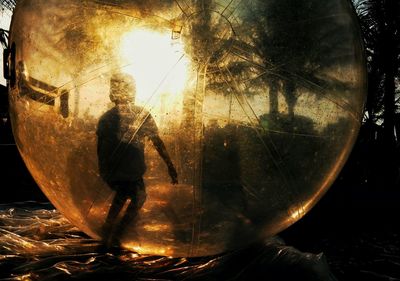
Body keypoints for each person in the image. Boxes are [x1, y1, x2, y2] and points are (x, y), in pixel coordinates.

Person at [97, 72, 178, 248]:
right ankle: (118, 233)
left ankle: (107, 229)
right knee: (139, 197)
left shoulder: (105, 118)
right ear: (132, 91)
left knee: (122, 195)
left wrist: (104, 171)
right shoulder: (141, 114)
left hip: (115, 171)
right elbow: (157, 142)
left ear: (112, 93)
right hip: (131, 171)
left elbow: (100, 148)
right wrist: (170, 165)